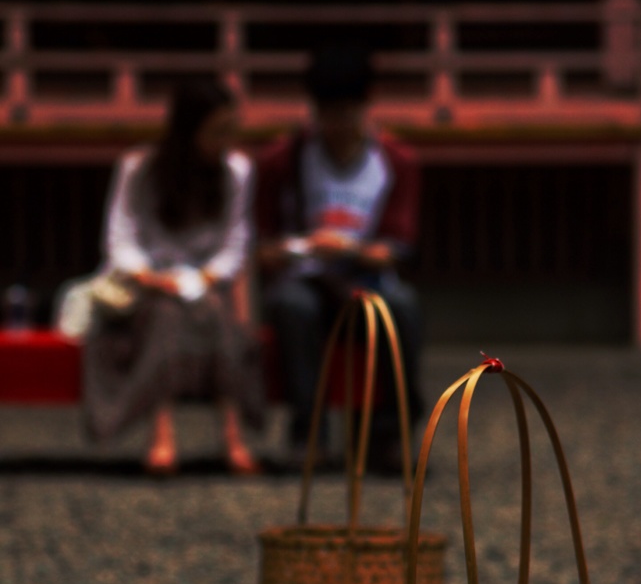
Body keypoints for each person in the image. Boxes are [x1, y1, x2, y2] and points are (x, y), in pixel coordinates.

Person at [256, 44, 423, 472]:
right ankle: (308, 433)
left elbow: (395, 249)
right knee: (292, 306)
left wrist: (348, 248)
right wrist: (294, 250)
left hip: (364, 278)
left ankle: (387, 433)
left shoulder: (394, 160)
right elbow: (264, 243)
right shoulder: (285, 158)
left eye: (347, 112)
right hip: (305, 278)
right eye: (328, 113)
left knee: (401, 306)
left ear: (365, 108)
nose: (337, 124)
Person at [83, 79, 262, 475]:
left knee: (214, 313)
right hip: (150, 286)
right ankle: (162, 433)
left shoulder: (237, 170)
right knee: (167, 317)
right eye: (217, 131)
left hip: (206, 284)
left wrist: (206, 278)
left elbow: (235, 244)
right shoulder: (139, 169)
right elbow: (120, 239)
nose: (225, 140)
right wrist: (151, 278)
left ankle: (232, 434)